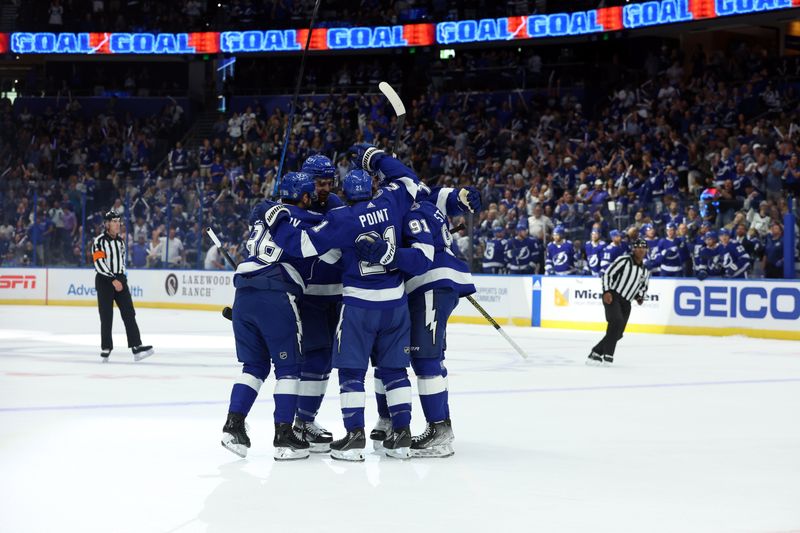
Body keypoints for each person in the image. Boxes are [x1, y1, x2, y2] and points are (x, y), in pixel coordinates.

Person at [268, 146, 426, 461]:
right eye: (319, 183)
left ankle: (354, 435)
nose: (324, 188)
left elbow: (303, 244)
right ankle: (400, 433)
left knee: (350, 371)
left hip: (353, 302)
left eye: (330, 182)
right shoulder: (388, 202)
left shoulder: (341, 214)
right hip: (379, 300)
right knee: (387, 369)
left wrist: (273, 219)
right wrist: (378, 159)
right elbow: (410, 182)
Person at [220, 172, 319, 462]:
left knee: (253, 367)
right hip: (275, 292)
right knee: (289, 368)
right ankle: (284, 436)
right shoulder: (303, 217)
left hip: (244, 294)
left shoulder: (264, 214)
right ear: (303, 196)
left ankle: (233, 426)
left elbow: (266, 210)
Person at [92, 210, 153, 362]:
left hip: (120, 279)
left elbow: (122, 263)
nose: (117, 224)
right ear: (107, 224)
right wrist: (113, 280)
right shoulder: (99, 241)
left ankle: (136, 346)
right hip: (105, 280)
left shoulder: (120, 242)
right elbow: (99, 264)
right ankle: (106, 347)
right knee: (106, 315)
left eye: (118, 221)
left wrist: (121, 279)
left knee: (129, 313)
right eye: (114, 221)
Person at [587, 238, 650, 365]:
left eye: (643, 247)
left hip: (627, 303)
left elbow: (643, 287)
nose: (641, 250)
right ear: (633, 249)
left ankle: (596, 352)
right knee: (616, 321)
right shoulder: (624, 260)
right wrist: (606, 291)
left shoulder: (645, 270)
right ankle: (608, 355)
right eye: (638, 247)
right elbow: (607, 274)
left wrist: (640, 296)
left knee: (618, 333)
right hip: (613, 296)